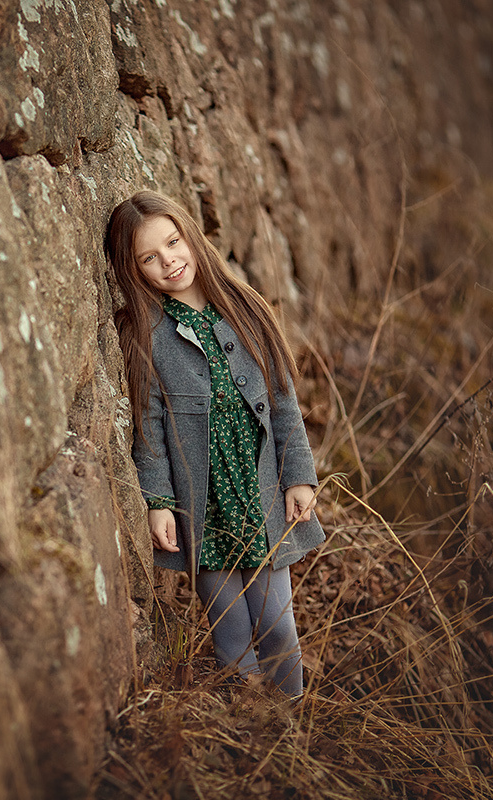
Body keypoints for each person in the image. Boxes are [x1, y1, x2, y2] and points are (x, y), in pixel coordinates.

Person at [105, 189, 325, 697]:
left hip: (258, 490)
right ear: (133, 269)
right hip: (202, 504)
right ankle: (250, 721)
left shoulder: (243, 305)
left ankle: (289, 720)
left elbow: (282, 397)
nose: (169, 261)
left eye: (174, 243)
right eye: (149, 259)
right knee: (230, 631)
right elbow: (148, 425)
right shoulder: (145, 333)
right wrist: (159, 502)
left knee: (276, 622)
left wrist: (298, 475)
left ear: (189, 235)